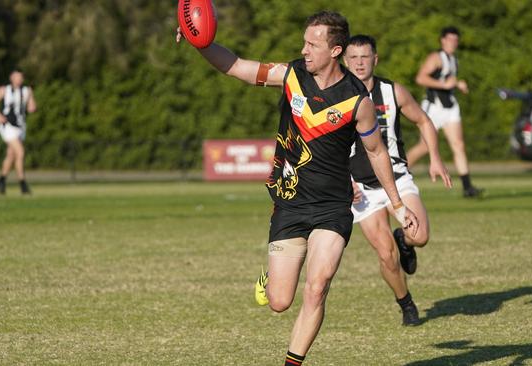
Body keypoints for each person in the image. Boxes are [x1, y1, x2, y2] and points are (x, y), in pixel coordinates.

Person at [177, 11, 418, 366]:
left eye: (313, 44)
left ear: (336, 50)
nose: (304, 50)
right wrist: (201, 42)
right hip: (290, 204)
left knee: (317, 287)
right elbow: (236, 67)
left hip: (334, 207)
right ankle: (272, 275)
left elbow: (377, 151)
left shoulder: (357, 100)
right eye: (304, 42)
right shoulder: (291, 75)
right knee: (279, 301)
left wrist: (398, 205)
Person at [343, 35, 452, 326]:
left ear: (375, 59)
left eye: (365, 57)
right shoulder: (335, 97)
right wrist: (343, 180)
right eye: (353, 57)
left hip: (398, 178)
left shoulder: (392, 91)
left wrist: (436, 158)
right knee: (386, 256)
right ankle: (406, 304)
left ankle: (404, 240)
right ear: (344, 61)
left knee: (420, 236)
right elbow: (324, 145)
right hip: (362, 191)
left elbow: (424, 121)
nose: (359, 63)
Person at [405, 26, 483, 198]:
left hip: (450, 106)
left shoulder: (453, 59)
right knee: (424, 147)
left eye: (456, 40)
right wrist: (445, 85)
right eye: (450, 40)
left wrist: (457, 84)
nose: (453, 43)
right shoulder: (436, 57)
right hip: (434, 108)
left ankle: (467, 187)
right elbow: (420, 78)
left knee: (458, 145)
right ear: (442, 40)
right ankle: (398, 174)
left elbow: (447, 80)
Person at [0, 69, 36, 195]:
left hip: (21, 126)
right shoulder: (4, 90)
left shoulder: (26, 91)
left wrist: (31, 97)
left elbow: (31, 109)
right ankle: (23, 184)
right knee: (20, 152)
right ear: (11, 78)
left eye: (20, 77)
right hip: (7, 125)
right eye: (16, 77)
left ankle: (1, 179)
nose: (19, 79)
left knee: (11, 155)